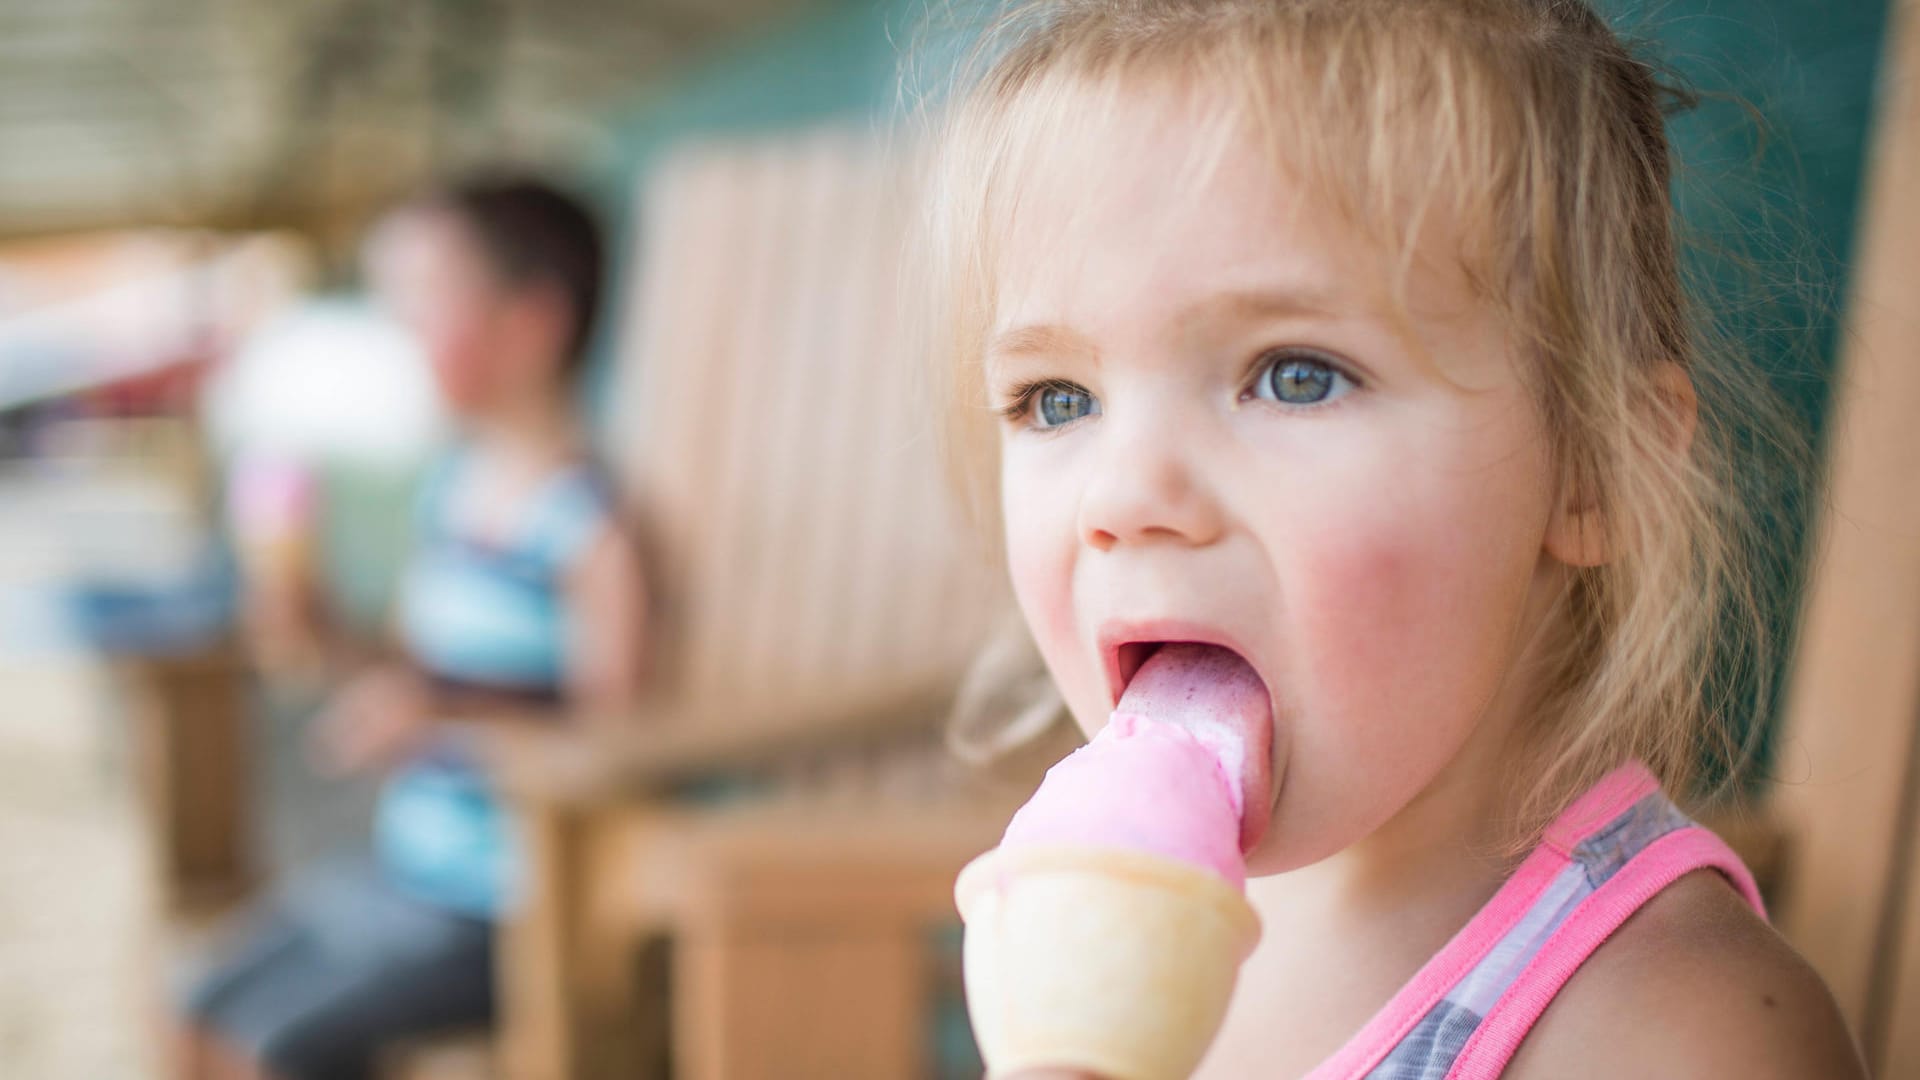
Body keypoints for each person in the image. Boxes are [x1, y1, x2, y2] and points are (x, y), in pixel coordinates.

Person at [922, 1, 1866, 1075]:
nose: (1124, 496)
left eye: (1295, 375)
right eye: (1056, 398)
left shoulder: (1676, 1032)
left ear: (1601, 468)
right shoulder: (1109, 932)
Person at [173, 174, 647, 1080]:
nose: (398, 332)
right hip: (407, 867)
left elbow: (615, 736)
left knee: (281, 1046)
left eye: (424, 301)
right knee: (195, 1001)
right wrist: (324, 625)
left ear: (530, 323)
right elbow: (411, 668)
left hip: (506, 905)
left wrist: (447, 713)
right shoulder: (452, 489)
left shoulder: (590, 526)